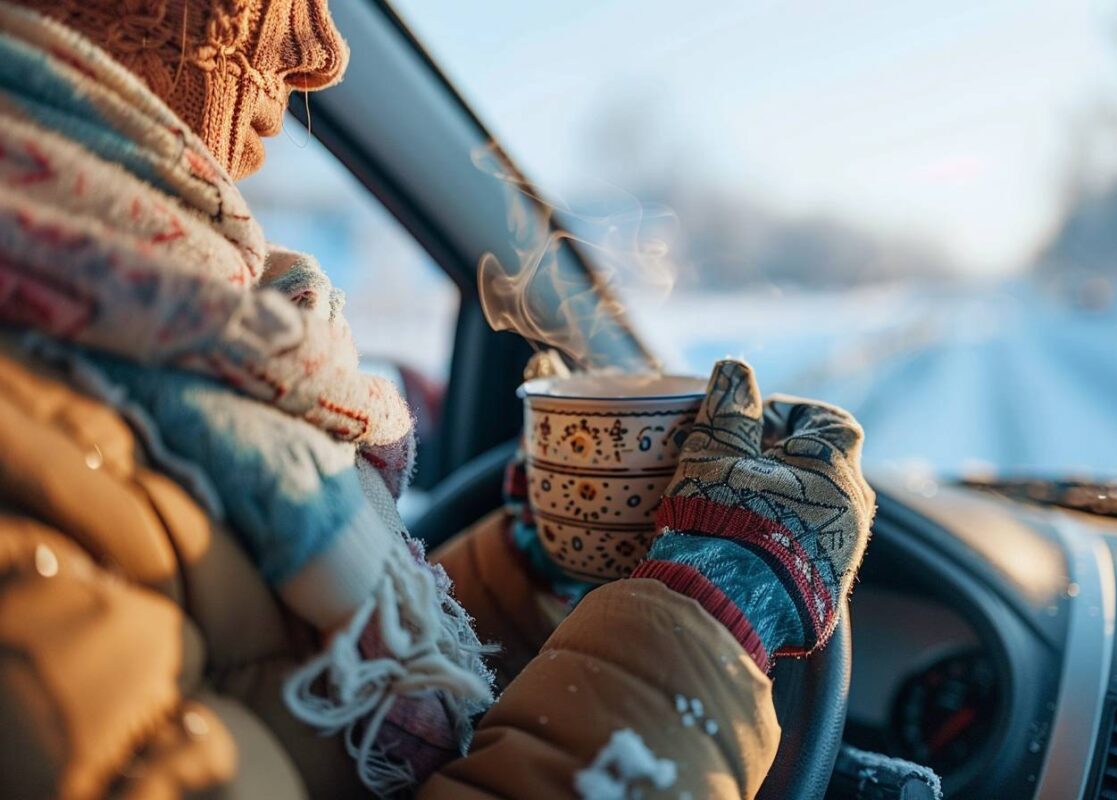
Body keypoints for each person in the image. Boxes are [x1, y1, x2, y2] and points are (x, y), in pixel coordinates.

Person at [0, 1, 875, 797]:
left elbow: (284, 700)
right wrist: (710, 619)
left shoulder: (152, 353)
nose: (320, 57)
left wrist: (526, 573)